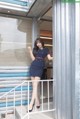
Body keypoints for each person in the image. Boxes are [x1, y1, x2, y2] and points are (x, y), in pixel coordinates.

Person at [28, 38, 53, 112]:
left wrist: (57, 56)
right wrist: (30, 51)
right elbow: (33, 59)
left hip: (40, 67)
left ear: (42, 42)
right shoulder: (35, 50)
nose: (38, 44)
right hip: (33, 66)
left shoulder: (46, 50)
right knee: (34, 86)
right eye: (36, 43)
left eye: (39, 43)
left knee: (35, 85)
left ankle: (31, 103)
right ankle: (37, 102)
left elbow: (49, 58)